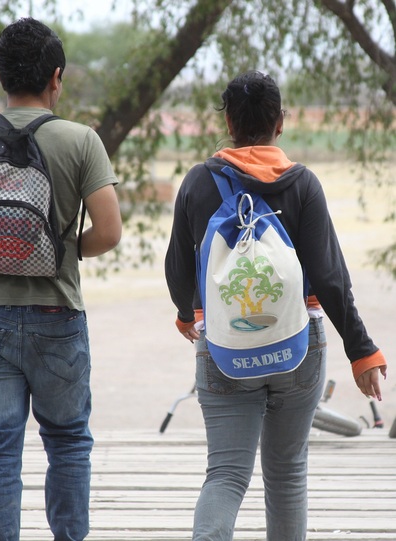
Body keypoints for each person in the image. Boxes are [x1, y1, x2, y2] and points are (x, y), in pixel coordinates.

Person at [164, 70, 387, 541]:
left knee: (226, 474)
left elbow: (178, 268)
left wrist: (186, 314)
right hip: (299, 348)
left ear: (228, 122)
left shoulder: (198, 183)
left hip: (223, 347)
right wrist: (362, 352)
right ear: (280, 123)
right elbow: (330, 277)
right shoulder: (303, 184)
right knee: (286, 475)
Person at [0, 17, 121, 541]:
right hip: (58, 313)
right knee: (69, 441)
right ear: (56, 77)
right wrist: (56, 253)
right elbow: (109, 232)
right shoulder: (82, 141)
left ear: (0, 76)